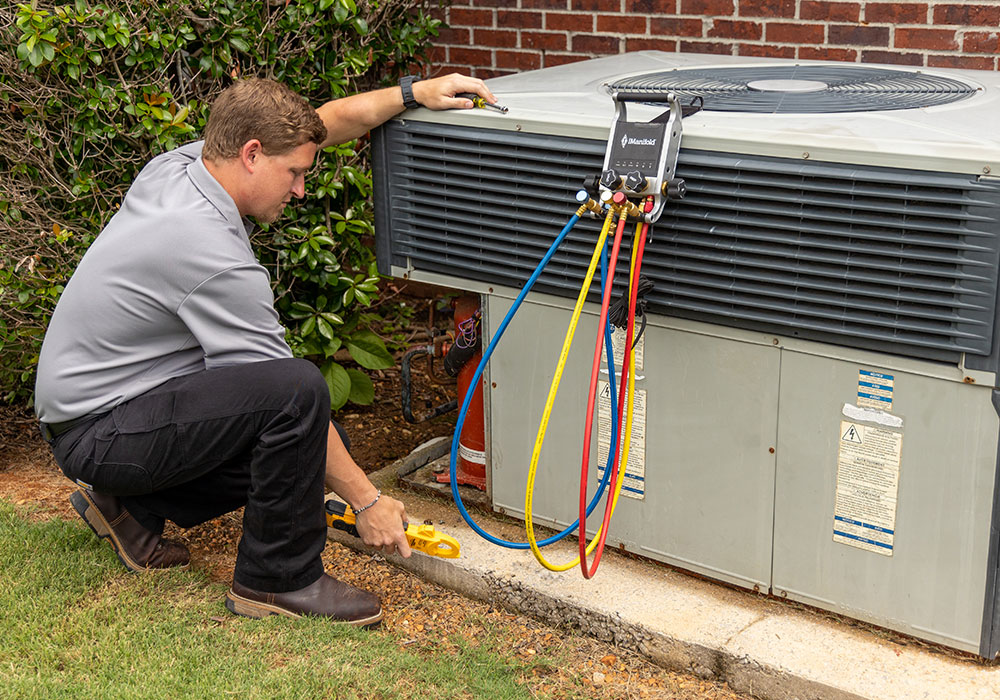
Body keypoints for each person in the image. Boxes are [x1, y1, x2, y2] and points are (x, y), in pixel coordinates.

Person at [34, 73, 497, 626]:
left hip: (99, 413)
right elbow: (283, 388)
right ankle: (277, 581)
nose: (300, 189)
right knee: (297, 394)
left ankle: (130, 508)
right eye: (295, 174)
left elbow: (320, 126)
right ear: (252, 155)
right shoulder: (208, 250)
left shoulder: (185, 167)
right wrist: (368, 502)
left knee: (309, 445)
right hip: (102, 430)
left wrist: (411, 95)